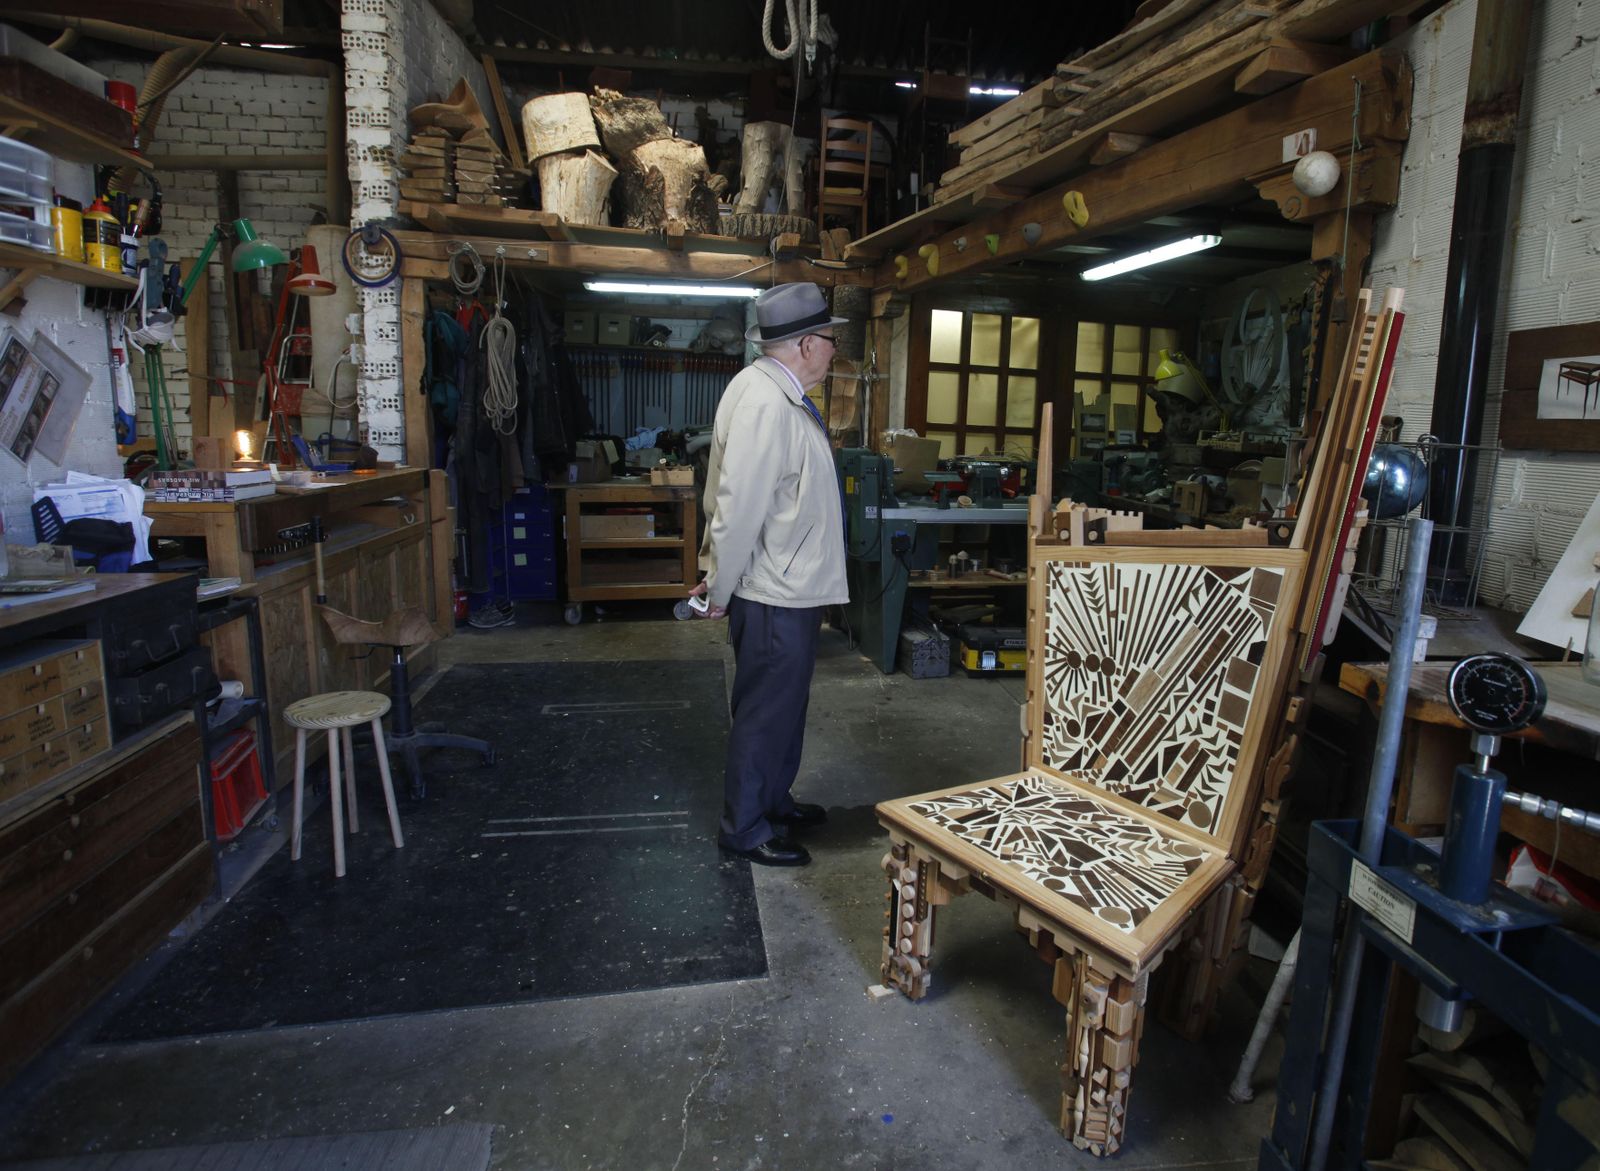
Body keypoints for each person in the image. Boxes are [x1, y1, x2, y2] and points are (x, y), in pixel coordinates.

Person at [688, 283, 849, 867]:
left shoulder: (778, 392)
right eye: (831, 340)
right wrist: (720, 588)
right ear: (806, 344)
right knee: (764, 711)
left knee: (785, 705)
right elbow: (738, 507)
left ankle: (773, 800)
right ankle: (746, 826)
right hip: (772, 591)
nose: (835, 350)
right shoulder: (764, 401)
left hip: (790, 587)